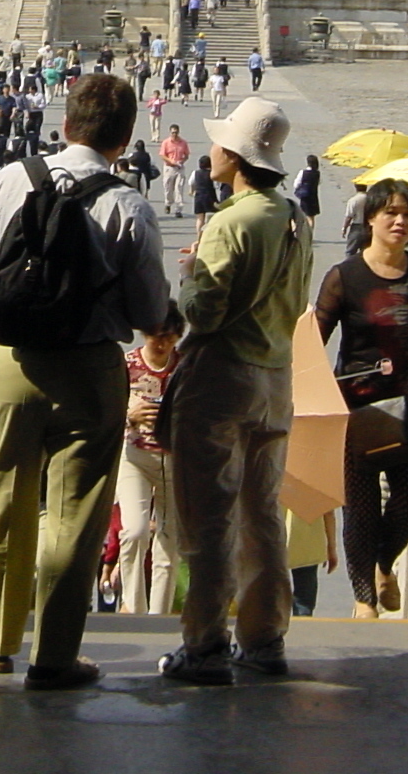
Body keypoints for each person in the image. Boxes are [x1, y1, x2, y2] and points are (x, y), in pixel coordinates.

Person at [0, 74, 169, 690]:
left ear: (66, 123)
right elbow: (150, 313)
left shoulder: (11, 179)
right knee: (75, 515)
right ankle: (54, 656)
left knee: (1, 503)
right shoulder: (129, 204)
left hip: (14, 365)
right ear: (124, 139)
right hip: (92, 371)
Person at [159, 96, 312, 685]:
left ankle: (204, 644)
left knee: (211, 518)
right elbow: (295, 304)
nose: (211, 151)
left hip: (224, 377)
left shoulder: (232, 221)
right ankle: (265, 637)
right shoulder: (296, 218)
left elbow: (205, 311)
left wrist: (192, 272)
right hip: (276, 377)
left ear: (236, 158)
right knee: (263, 515)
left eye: (219, 144)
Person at [315, 178, 408, 619]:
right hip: (356, 412)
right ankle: (364, 599)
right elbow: (312, 342)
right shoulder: (345, 278)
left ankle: (385, 565)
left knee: (407, 507)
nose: (400, 221)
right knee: (360, 512)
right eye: (391, 214)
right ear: (371, 219)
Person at [116, 306, 183, 613]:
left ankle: (160, 614)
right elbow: (105, 412)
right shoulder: (127, 364)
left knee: (169, 539)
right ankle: (133, 605)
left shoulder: (185, 367)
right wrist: (129, 416)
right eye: (157, 337)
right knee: (135, 530)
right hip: (135, 456)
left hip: (173, 459)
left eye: (169, 338)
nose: (162, 344)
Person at [286, 507, 338, 617]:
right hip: (309, 542)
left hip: (273, 541)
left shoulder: (270, 489)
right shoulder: (314, 489)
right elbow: (328, 511)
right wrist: (331, 547)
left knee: (272, 595)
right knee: (304, 600)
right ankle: (302, 626)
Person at [159, 125, 190, 216]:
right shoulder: (166, 143)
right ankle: (168, 203)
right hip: (169, 168)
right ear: (170, 133)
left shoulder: (183, 143)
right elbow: (162, 155)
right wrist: (171, 161)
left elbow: (187, 155)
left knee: (179, 188)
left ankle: (178, 209)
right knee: (168, 187)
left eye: (176, 132)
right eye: (173, 133)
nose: (174, 134)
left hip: (179, 168)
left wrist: (182, 161)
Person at [190, 154, 218, 239]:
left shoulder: (196, 173)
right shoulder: (212, 174)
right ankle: (208, 235)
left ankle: (199, 236)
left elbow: (191, 183)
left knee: (200, 218)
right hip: (210, 196)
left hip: (198, 196)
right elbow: (216, 185)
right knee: (212, 217)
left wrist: (192, 191)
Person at [292, 153, 321, 220]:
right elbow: (319, 182)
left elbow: (296, 184)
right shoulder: (317, 173)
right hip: (313, 197)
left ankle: (302, 229)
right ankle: (311, 230)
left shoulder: (303, 172)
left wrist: (298, 190)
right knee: (311, 217)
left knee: (302, 214)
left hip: (305, 196)